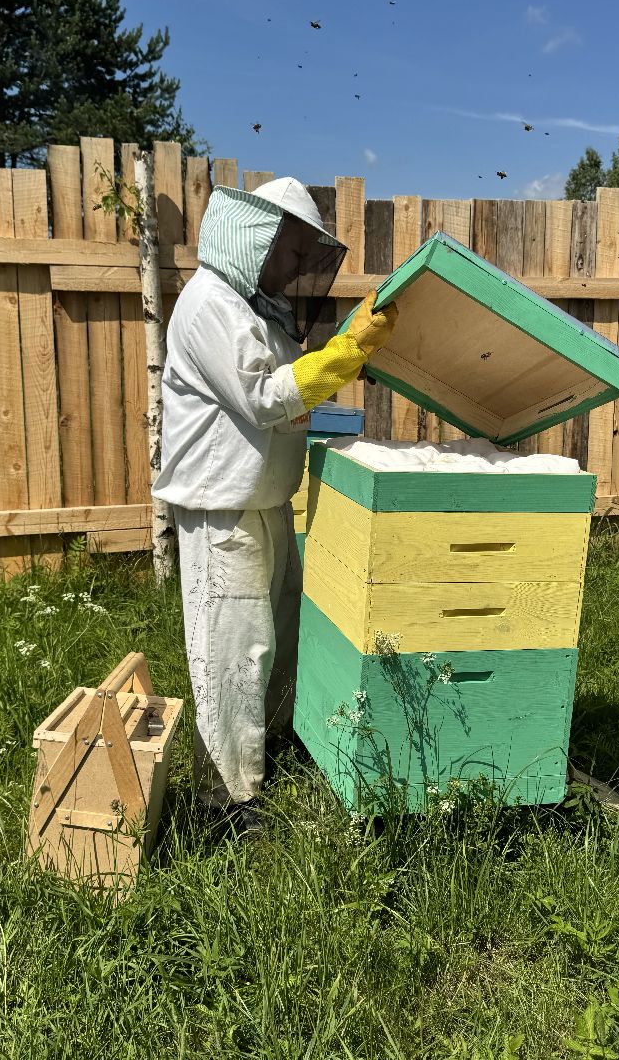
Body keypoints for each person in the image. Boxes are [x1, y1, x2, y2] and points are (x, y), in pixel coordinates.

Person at [152, 177, 398, 830]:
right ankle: (225, 801)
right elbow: (265, 396)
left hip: (266, 501)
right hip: (222, 508)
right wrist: (344, 354)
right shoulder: (210, 302)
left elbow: (296, 385)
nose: (295, 267)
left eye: (303, 256)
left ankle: (273, 746)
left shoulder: (262, 312)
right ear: (254, 239)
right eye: (290, 251)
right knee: (233, 653)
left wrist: (347, 361)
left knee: (282, 634)